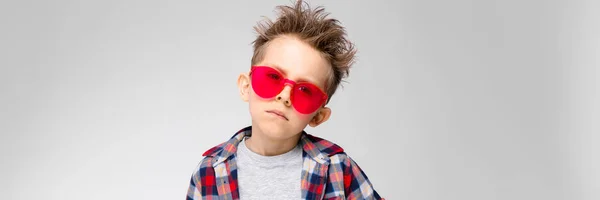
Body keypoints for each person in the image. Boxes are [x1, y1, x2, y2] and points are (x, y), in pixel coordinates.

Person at [186, 1, 384, 199]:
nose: (285, 96)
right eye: (272, 77)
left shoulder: (338, 168)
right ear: (246, 86)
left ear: (318, 116)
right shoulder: (209, 171)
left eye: (305, 90)